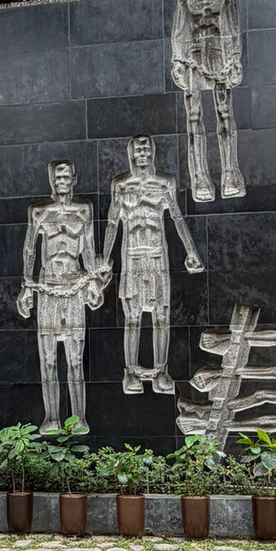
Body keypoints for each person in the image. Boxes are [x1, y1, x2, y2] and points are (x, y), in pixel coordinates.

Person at [102, 134, 203, 394]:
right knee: (132, 316)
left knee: (161, 314)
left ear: (153, 151)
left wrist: (191, 252)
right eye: (138, 149)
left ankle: (160, 371)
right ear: (131, 154)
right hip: (132, 256)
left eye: (147, 148)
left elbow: (178, 218)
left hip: (157, 255)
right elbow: (112, 222)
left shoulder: (164, 183)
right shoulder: (121, 185)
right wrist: (104, 259)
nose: (143, 153)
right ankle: (130, 372)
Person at [17, 161, 110, 433]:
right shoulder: (39, 212)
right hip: (47, 286)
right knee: (48, 359)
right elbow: (29, 250)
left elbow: (89, 249)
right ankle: (52, 418)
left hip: (74, 284)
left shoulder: (83, 211)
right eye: (57, 177)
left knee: (75, 359)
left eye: (66, 176)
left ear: (74, 179)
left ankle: (79, 417)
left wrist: (94, 282)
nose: (61, 181)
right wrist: (26, 286)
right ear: (51, 179)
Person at [171, 0, 243, 202]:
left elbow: (232, 31)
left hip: (219, 58)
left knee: (225, 113)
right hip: (193, 60)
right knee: (193, 117)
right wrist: (178, 61)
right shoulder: (184, 5)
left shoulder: (225, 3)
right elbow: (179, 32)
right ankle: (200, 176)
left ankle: (230, 173)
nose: (204, 3)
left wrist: (234, 58)